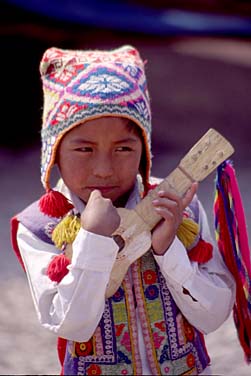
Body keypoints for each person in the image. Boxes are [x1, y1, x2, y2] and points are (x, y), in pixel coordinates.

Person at [11, 45, 235, 375]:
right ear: (54, 152)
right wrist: (93, 240)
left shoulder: (178, 210)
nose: (103, 169)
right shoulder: (39, 226)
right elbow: (71, 324)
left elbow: (214, 315)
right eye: (84, 149)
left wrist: (168, 249)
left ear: (143, 151)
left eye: (123, 148)